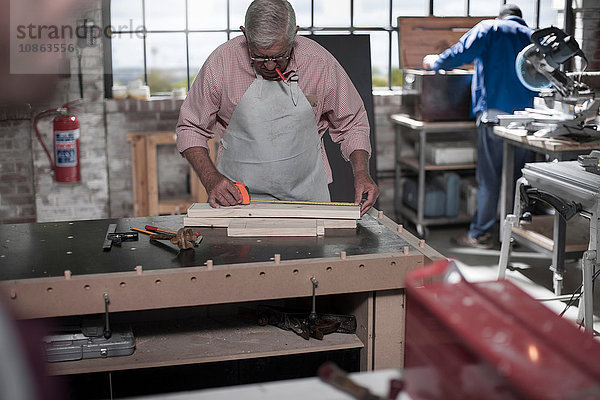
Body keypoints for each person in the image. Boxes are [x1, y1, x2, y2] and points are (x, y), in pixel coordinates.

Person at [176, 0, 379, 216]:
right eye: (260, 56)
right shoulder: (222, 63)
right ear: (245, 36)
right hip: (235, 201)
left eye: (280, 56)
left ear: (295, 36)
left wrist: (361, 173)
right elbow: (190, 127)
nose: (271, 65)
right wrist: (210, 178)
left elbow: (353, 123)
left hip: (308, 200)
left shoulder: (320, 63)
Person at [423, 4, 535, 249]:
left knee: (489, 179)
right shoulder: (532, 36)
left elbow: (461, 54)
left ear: (501, 16)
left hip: (494, 118)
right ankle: (515, 234)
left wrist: (435, 63)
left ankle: (480, 235)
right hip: (527, 123)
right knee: (520, 180)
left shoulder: (490, 28)